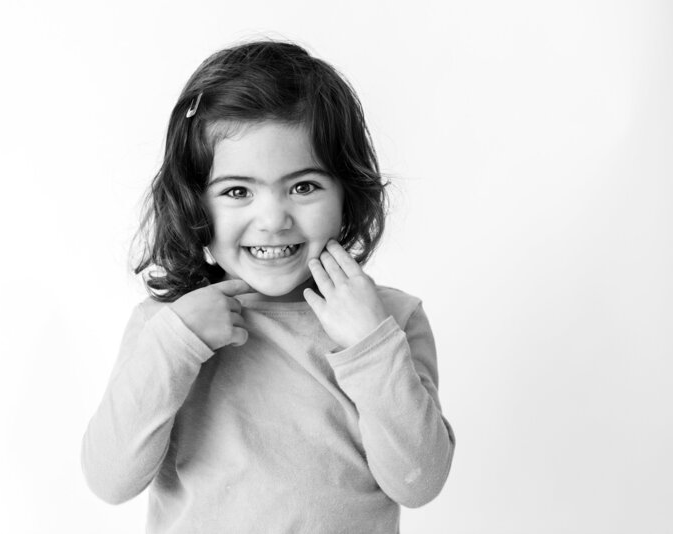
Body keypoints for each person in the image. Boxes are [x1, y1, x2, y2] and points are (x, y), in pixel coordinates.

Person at [81, 39, 455, 533]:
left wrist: (370, 346)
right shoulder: (165, 327)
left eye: (304, 186)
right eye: (238, 191)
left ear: (348, 192)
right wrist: (174, 346)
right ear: (197, 205)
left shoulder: (390, 322)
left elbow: (420, 482)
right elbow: (109, 481)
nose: (274, 220)